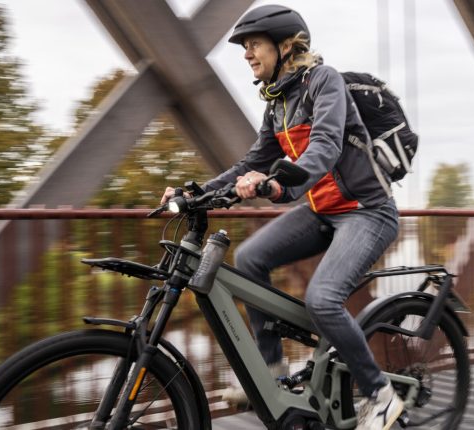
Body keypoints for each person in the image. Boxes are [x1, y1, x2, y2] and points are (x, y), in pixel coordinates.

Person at [161, 5, 403, 429]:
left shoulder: (321, 82)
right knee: (251, 257)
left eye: (253, 44)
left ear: (285, 45)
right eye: (245, 47)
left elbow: (325, 145)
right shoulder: (278, 104)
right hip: (323, 211)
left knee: (323, 299)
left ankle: (381, 395)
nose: (246, 54)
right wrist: (196, 192)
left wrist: (279, 185)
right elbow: (251, 161)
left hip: (367, 212)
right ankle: (269, 371)